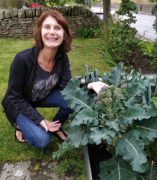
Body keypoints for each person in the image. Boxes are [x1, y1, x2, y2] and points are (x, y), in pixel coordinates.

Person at [1, 9, 107, 148]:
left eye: (57, 28)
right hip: (19, 103)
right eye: (47, 27)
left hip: (41, 96)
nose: (52, 32)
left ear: (64, 35)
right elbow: (14, 97)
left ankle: (56, 126)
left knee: (74, 100)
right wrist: (40, 119)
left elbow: (69, 87)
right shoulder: (22, 59)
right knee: (41, 140)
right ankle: (20, 126)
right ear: (40, 32)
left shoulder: (62, 57)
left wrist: (91, 85)